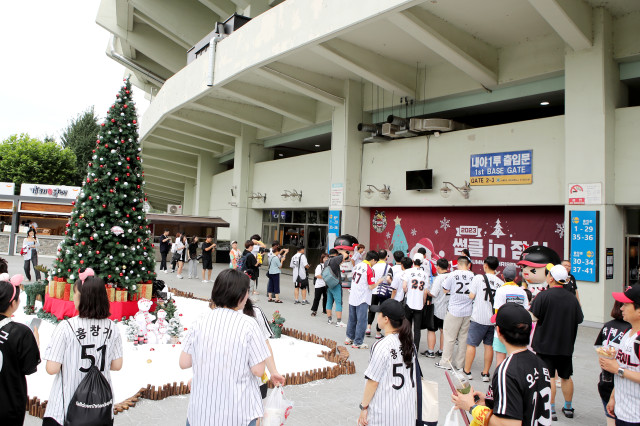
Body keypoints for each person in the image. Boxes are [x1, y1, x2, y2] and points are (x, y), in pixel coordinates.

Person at [180, 269, 270, 426]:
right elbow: (258, 370)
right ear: (241, 295)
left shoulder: (200, 321)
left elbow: (184, 362)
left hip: (200, 413)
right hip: (238, 413)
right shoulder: (249, 324)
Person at [452, 303, 552, 426]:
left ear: (498, 331)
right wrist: (490, 400)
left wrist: (472, 407)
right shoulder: (540, 363)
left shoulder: (507, 371)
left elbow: (508, 424)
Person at [43, 275, 123, 426]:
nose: (73, 298)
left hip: (65, 408)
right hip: (100, 408)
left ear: (83, 298)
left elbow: (52, 368)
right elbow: (117, 365)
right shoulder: (113, 327)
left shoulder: (66, 327)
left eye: (75, 294)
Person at [530, 264, 584, 420]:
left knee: (549, 377)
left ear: (551, 278)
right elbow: (579, 319)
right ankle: (568, 407)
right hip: (566, 345)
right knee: (566, 376)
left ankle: (550, 408)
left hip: (545, 344)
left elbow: (534, 317)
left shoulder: (543, 296)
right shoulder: (571, 298)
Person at [357, 299, 417, 426]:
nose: (377, 317)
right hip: (407, 412)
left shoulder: (381, 345)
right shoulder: (410, 344)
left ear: (386, 319)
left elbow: (373, 381)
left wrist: (364, 407)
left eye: (379, 314)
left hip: (384, 414)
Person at [0, 275, 40, 426]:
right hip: (8, 405)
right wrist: (35, 342)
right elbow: (29, 367)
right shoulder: (21, 332)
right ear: (13, 303)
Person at [601, 285, 640, 426]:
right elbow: (622, 367)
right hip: (622, 411)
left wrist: (617, 369)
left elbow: (620, 369)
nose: (621, 308)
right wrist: (613, 397)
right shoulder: (626, 333)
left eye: (625, 304)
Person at [463, 256, 504, 382]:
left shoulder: (478, 278)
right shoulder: (500, 283)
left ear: (485, 265)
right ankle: (485, 373)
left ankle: (467, 371)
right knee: (488, 347)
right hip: (492, 320)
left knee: (471, 345)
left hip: (478, 318)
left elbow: (471, 295)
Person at [242, 298, 286, 400]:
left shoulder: (255, 311)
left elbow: (265, 344)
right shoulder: (220, 315)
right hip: (231, 385)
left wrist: (273, 371)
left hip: (257, 382)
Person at [595, 301, 629, 426]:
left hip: (606, 380)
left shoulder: (608, 325)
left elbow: (599, 347)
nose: (622, 308)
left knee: (610, 418)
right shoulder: (631, 331)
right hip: (621, 385)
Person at [437, 256, 475, 370]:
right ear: (468, 265)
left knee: (449, 337)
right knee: (463, 339)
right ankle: (460, 364)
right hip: (468, 311)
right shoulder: (473, 275)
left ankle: (446, 362)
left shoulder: (452, 275)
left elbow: (445, 289)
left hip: (454, 310)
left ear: (458, 264)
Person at [492, 264, 530, 366]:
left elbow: (497, 312)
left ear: (502, 277)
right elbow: (526, 311)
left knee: (500, 360)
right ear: (516, 278)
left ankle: (499, 381)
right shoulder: (522, 291)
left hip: (503, 329)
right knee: (516, 360)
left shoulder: (500, 290)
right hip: (519, 330)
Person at [346, 250, 378, 349]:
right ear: (373, 260)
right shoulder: (369, 269)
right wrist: (379, 281)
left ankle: (349, 338)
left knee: (352, 318)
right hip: (362, 298)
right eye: (375, 261)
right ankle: (358, 342)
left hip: (353, 295)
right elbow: (371, 286)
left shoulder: (357, 266)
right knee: (362, 320)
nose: (375, 263)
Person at [423, 257, 450, 358]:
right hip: (448, 308)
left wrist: (426, 291)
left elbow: (433, 293)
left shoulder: (439, 278)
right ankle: (442, 351)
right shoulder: (451, 276)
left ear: (438, 267)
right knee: (443, 330)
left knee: (431, 329)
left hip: (437, 307)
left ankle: (430, 351)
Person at [402, 254, 429, 352]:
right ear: (421, 263)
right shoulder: (424, 274)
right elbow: (425, 292)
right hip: (419, 304)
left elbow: (404, 286)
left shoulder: (408, 271)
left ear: (413, 261)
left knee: (406, 326)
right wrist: (423, 302)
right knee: (417, 328)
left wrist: (407, 292)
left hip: (409, 302)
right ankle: (415, 348)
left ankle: (405, 346)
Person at [367, 249, 393, 339]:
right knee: (381, 311)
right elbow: (389, 280)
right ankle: (378, 333)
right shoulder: (389, 267)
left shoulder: (373, 266)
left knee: (371, 309)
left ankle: (368, 328)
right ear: (386, 257)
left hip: (373, 290)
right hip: (383, 292)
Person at [326, 249, 347, 327]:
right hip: (336, 284)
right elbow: (345, 255)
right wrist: (341, 251)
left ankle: (329, 319)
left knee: (329, 301)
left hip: (328, 284)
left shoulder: (327, 261)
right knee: (338, 302)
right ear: (335, 254)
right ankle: (339, 321)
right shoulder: (335, 259)